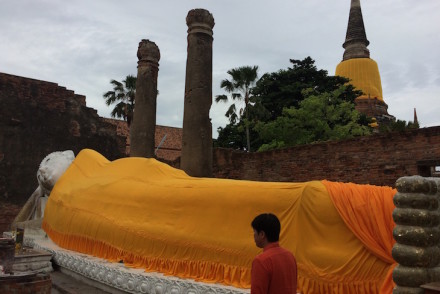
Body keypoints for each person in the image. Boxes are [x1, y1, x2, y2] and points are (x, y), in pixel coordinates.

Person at [251, 213, 298, 294]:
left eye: (254, 232)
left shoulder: (261, 261)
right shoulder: (290, 256)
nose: (253, 235)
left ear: (262, 234)